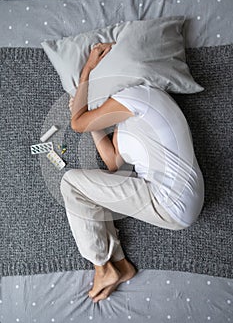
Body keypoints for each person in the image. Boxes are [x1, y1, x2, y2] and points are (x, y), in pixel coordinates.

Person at [60, 42, 205, 303]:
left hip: (171, 201)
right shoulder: (127, 121)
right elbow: (114, 162)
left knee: (71, 183)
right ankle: (120, 265)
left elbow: (77, 123)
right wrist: (93, 122)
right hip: (175, 200)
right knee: (91, 189)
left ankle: (102, 267)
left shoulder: (139, 95)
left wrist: (87, 71)